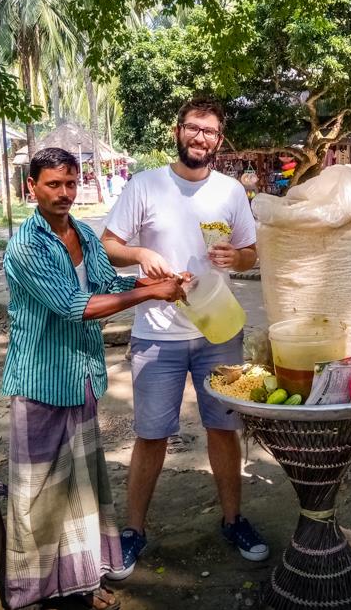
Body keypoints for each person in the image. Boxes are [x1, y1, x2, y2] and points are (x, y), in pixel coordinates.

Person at [1, 147, 187, 610]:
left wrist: (155, 285)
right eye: (52, 185)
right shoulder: (27, 244)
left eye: (69, 183)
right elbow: (73, 306)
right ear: (32, 188)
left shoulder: (83, 233)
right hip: (40, 381)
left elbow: (105, 287)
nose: (64, 193)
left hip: (81, 376)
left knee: (80, 487)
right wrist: (151, 295)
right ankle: (32, 593)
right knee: (38, 493)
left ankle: (80, 583)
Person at [100, 96, 267, 579]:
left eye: (210, 131)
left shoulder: (231, 191)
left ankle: (233, 520)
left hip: (219, 331)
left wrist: (238, 260)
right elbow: (109, 245)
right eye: (193, 128)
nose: (201, 137)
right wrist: (139, 255)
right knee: (151, 434)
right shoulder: (145, 184)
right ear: (178, 131)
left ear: (219, 139)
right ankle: (134, 531)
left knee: (223, 428)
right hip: (157, 335)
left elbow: (251, 251)